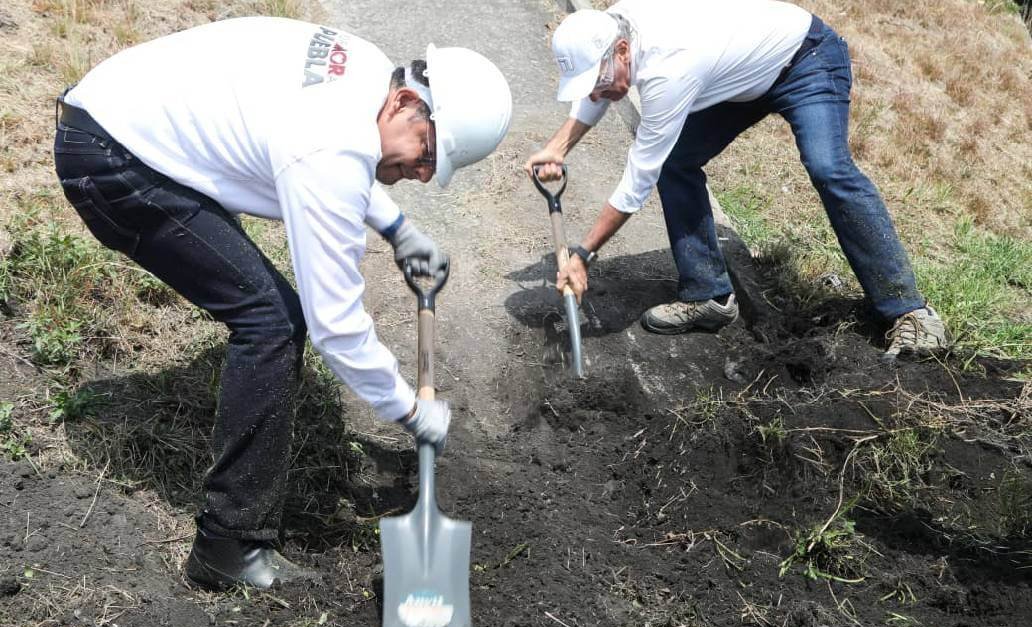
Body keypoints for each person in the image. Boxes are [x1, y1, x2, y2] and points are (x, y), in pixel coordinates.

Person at [53, 16, 512, 590]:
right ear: (403, 102)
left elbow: (341, 155)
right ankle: (227, 545)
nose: (420, 175)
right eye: (426, 152)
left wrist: (398, 229)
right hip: (112, 160)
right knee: (271, 323)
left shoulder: (366, 69)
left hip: (115, 113)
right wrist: (410, 410)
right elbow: (336, 326)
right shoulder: (330, 146)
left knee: (271, 313)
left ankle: (231, 538)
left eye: (431, 169)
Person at [525, 0, 948, 359]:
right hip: (743, 75)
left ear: (621, 51)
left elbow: (637, 179)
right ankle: (709, 294)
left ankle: (910, 312)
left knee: (828, 167)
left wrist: (583, 254)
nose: (596, 94)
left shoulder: (668, 70)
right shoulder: (609, 27)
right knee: (678, 162)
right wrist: (558, 147)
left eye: (598, 82)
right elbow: (600, 88)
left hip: (806, 58)